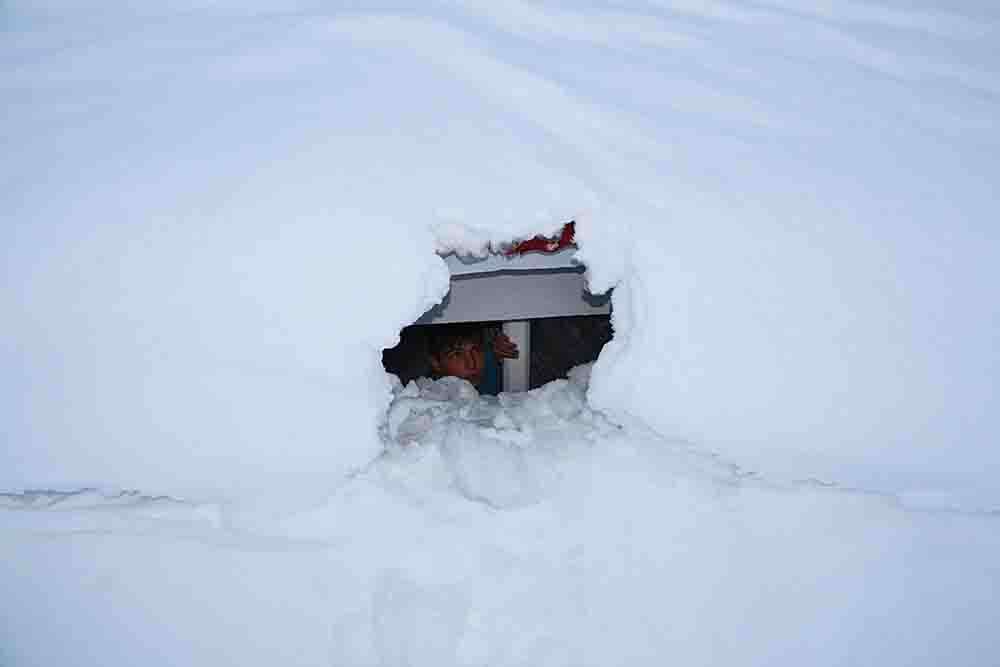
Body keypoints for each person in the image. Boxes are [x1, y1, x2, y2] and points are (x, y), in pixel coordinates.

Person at [426, 322, 519, 395]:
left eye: (476, 350)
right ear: (435, 363)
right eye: (457, 354)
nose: (472, 364)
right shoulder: (426, 396)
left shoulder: (492, 363)